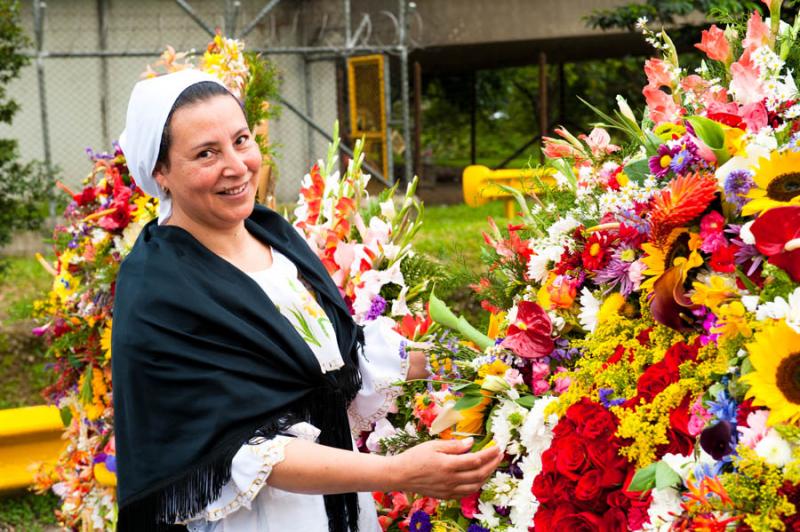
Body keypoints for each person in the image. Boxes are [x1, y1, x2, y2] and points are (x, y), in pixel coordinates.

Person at [111, 69, 501, 532]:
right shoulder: (159, 288)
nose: (235, 166)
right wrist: (398, 473)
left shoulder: (274, 237)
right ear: (160, 172)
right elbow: (238, 446)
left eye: (240, 141)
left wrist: (472, 359)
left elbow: (337, 363)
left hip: (336, 504)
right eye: (205, 154)